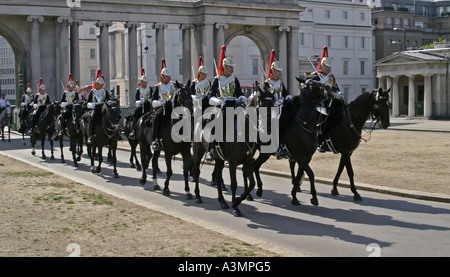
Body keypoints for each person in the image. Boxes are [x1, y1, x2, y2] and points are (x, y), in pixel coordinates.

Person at [205, 45, 244, 161]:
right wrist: (218, 100)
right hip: (221, 107)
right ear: (224, 67)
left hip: (233, 106)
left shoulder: (234, 79)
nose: (232, 69)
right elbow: (210, 95)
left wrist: (243, 98)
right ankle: (210, 150)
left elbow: (239, 93)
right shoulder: (217, 80)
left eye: (232, 67)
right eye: (230, 67)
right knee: (215, 123)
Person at [306, 46, 343, 153]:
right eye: (327, 67)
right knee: (324, 115)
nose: (329, 69)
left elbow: (336, 88)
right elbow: (309, 84)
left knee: (342, 109)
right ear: (322, 66)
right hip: (319, 102)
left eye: (330, 67)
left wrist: (339, 93)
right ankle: (322, 140)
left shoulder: (331, 77)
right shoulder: (315, 76)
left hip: (331, 101)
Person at [263, 49, 289, 159]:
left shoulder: (280, 83)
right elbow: (265, 97)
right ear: (272, 71)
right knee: (275, 124)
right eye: (277, 71)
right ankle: (277, 147)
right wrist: (272, 96)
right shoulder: (267, 83)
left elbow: (285, 94)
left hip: (281, 106)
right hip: (272, 109)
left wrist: (286, 98)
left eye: (280, 71)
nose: (280, 73)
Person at [150, 59, 176, 151]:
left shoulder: (173, 85)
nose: (169, 78)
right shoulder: (158, 86)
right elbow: (153, 100)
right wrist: (161, 102)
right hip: (163, 108)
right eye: (167, 76)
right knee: (155, 119)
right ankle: (155, 140)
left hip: (173, 107)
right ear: (162, 76)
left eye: (169, 76)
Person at [86, 69, 111, 144]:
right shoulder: (92, 91)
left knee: (111, 117)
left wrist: (108, 103)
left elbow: (109, 99)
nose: (100, 85)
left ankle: (115, 133)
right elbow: (88, 102)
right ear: (96, 84)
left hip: (103, 108)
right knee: (92, 119)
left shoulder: (105, 91)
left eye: (101, 84)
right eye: (99, 84)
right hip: (96, 108)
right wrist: (92, 104)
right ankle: (90, 135)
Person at [128, 68, 153, 140]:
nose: (145, 83)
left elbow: (152, 97)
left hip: (148, 107)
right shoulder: (138, 90)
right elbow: (136, 100)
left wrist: (149, 100)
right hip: (141, 106)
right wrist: (140, 101)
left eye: (146, 82)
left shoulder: (150, 89)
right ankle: (133, 130)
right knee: (135, 114)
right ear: (141, 82)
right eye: (143, 82)